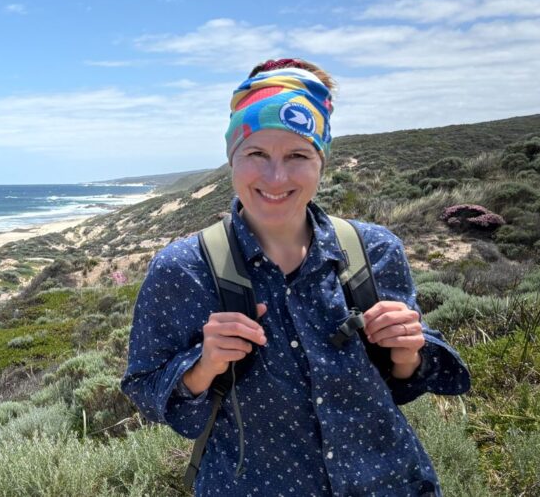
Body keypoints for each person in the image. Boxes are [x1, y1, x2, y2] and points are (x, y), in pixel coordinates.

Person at [120, 59, 471, 496]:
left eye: (298, 155)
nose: (276, 177)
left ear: (321, 161)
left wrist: (408, 354)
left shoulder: (374, 250)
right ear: (232, 159)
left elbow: (406, 380)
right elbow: (145, 387)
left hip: (390, 482)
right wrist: (203, 366)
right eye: (257, 154)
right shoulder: (182, 269)